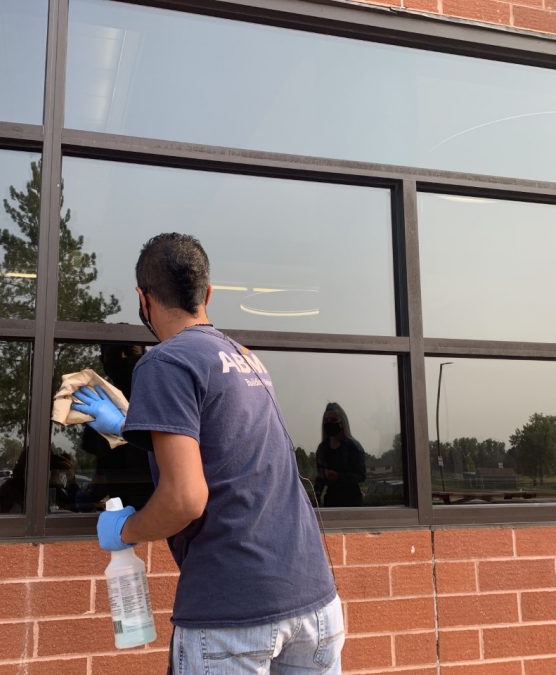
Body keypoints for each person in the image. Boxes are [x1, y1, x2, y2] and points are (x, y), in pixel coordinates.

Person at [72, 233, 343, 674]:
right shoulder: (245, 357)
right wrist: (126, 425)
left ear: (143, 298)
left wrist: (127, 530)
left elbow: (184, 499)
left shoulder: (165, 362)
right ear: (208, 294)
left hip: (234, 611)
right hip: (313, 601)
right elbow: (227, 443)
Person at [76, 342, 154, 511]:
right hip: (124, 510)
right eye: (115, 354)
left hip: (160, 508)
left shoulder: (163, 396)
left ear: (144, 356)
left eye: (129, 352)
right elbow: (102, 474)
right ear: (102, 360)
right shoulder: (98, 405)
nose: (124, 360)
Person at [313, 403, 367, 508]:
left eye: (333, 420)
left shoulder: (353, 447)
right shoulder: (323, 448)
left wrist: (339, 477)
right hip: (331, 501)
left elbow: (361, 476)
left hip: (352, 501)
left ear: (342, 423)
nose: (329, 423)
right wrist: (316, 495)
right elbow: (320, 478)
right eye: (326, 420)